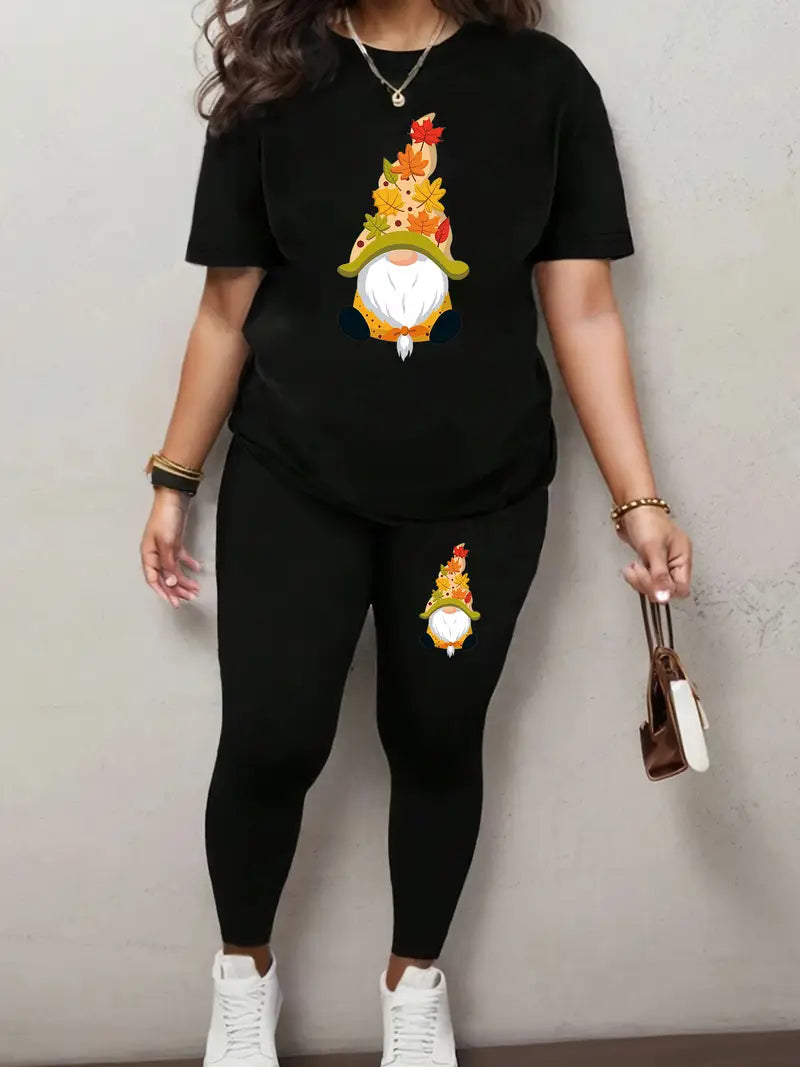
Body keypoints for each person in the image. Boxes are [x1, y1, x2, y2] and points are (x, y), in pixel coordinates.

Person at [139, 2, 693, 1064]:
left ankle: (414, 989)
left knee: (437, 737)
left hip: (477, 501)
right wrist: (174, 478)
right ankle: (242, 982)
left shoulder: (544, 85)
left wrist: (640, 499)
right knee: (270, 741)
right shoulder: (273, 81)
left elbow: (582, 309)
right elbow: (225, 309)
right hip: (294, 484)